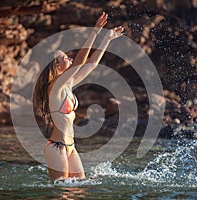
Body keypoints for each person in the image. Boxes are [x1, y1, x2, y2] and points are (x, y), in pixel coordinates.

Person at [35, 12, 124, 180]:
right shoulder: (54, 87)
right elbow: (79, 63)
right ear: (56, 66)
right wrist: (95, 33)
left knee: (79, 189)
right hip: (56, 147)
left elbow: (91, 64)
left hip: (70, 146)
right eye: (64, 58)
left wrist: (108, 38)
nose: (69, 58)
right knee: (64, 193)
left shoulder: (67, 84)